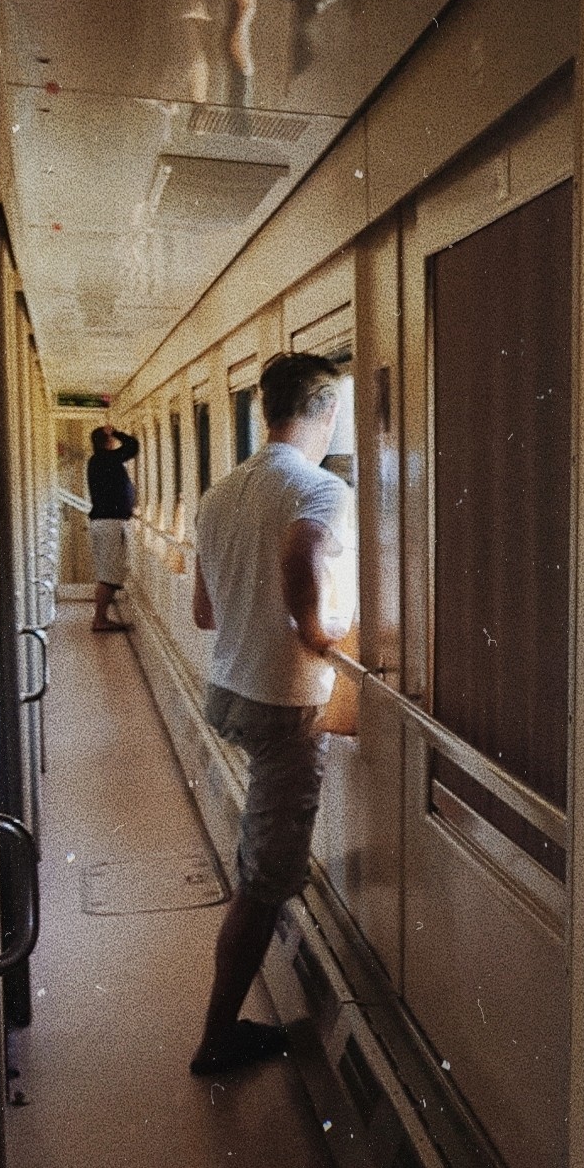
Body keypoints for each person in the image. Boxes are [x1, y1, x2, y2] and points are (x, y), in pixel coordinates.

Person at [189, 352, 353, 1074]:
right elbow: (304, 549)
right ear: (326, 409)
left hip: (227, 689)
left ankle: (254, 883)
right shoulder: (319, 488)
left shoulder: (220, 491)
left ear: (264, 410)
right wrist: (318, 633)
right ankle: (217, 1040)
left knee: (260, 853)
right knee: (263, 883)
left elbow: (203, 611)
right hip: (282, 702)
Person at [86, 423, 139, 632]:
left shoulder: (95, 461)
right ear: (107, 441)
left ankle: (100, 617)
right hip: (109, 523)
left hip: (101, 522)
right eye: (112, 439)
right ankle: (100, 620)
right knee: (109, 575)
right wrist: (116, 431)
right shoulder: (106, 459)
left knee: (105, 573)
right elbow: (133, 446)